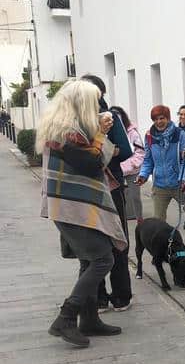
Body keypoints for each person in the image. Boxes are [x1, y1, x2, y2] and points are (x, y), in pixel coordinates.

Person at [38, 80, 127, 347]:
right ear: (82, 104)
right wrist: (100, 133)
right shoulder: (67, 133)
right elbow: (94, 163)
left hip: (72, 205)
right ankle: (66, 317)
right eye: (95, 102)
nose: (98, 107)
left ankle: (89, 320)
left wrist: (97, 131)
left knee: (90, 260)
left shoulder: (66, 129)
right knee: (102, 259)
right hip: (71, 207)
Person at [80, 75, 133, 313]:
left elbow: (126, 151)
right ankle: (104, 297)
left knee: (112, 242)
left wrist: (103, 149)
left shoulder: (111, 117)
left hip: (106, 188)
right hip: (90, 188)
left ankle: (115, 295)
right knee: (101, 243)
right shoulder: (76, 119)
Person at [135, 105, 185, 258]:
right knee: (158, 221)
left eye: (162, 118)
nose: (159, 122)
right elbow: (148, 160)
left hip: (180, 184)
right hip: (160, 186)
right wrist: (143, 175)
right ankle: (162, 251)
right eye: (156, 119)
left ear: (168, 118)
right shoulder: (149, 137)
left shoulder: (179, 135)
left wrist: (184, 179)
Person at [115, 106, 144, 225]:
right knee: (117, 197)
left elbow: (140, 152)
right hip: (116, 171)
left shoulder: (132, 133)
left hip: (133, 171)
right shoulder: (109, 132)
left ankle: (140, 221)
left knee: (135, 197)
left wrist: (128, 166)